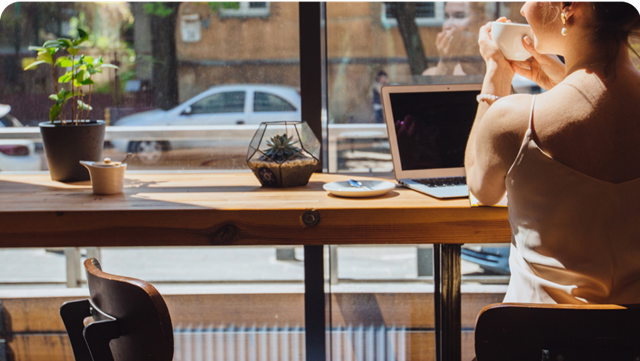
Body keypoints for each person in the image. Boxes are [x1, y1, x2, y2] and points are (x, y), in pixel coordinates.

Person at [465, 1, 640, 304]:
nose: (522, 9)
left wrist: (496, 74)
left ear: (569, 7)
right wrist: (562, 82)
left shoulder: (514, 121)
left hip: (537, 344)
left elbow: (480, 186)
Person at [422, 1, 487, 76]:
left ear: (480, 21)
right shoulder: (430, 75)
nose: (447, 25)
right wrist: (445, 64)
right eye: (446, 17)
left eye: (459, 16)